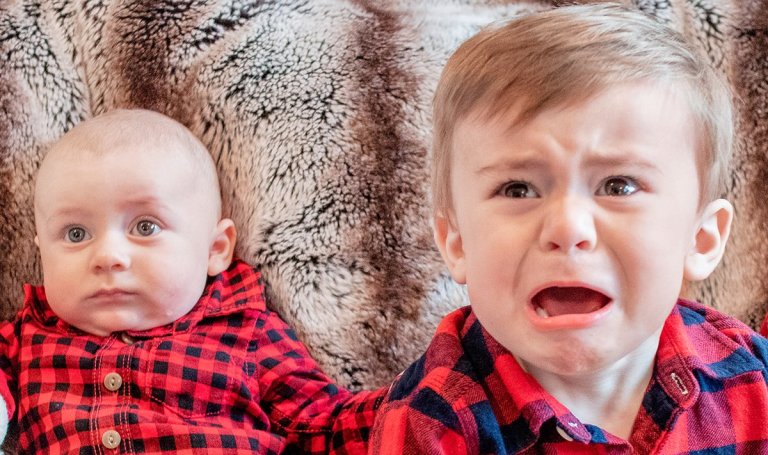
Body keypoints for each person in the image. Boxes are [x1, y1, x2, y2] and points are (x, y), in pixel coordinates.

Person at [370, 4, 768, 453]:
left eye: (618, 185)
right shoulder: (433, 421)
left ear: (701, 239)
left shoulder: (749, 376)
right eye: (518, 189)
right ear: (457, 244)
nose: (566, 227)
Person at [0, 109, 384, 454]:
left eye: (145, 226)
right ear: (41, 252)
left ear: (215, 249)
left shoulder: (247, 332)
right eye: (76, 234)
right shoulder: (24, 338)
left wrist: (420, 400)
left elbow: (328, 425)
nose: (107, 257)